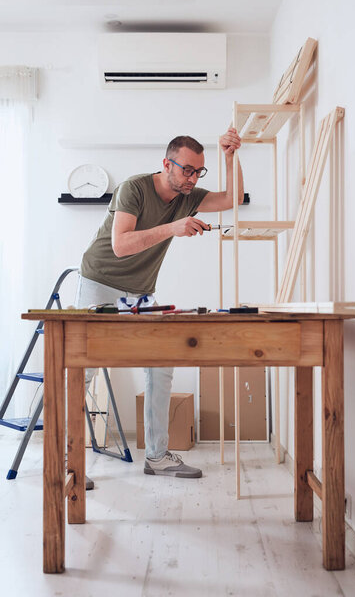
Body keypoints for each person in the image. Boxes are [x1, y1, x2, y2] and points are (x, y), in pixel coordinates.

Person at [76, 127, 243, 479]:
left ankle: (157, 456)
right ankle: (67, 457)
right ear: (166, 163)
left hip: (140, 292)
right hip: (100, 282)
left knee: (161, 364)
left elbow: (231, 199)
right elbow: (121, 245)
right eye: (187, 169)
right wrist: (173, 228)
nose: (193, 178)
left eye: (199, 171)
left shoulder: (188, 195)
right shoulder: (134, 188)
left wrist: (231, 157)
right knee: (82, 369)